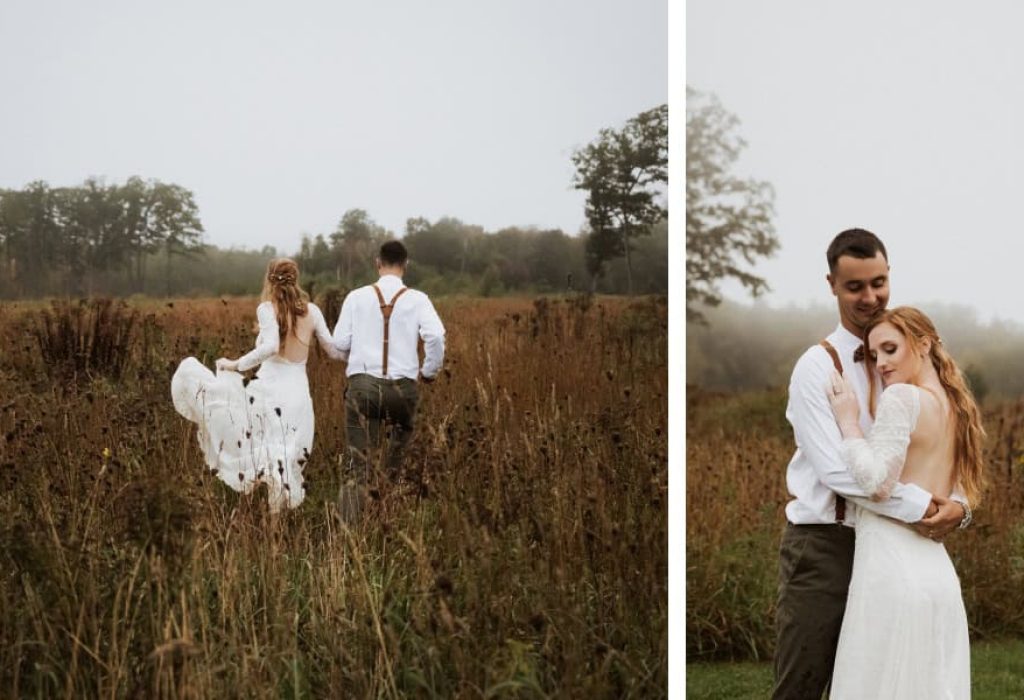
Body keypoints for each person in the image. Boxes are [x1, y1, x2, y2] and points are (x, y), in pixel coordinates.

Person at [772, 229, 971, 699]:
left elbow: (939, 443)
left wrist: (959, 506)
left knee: (883, 681)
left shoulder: (905, 360)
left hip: (890, 549)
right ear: (831, 285)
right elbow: (841, 475)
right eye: (855, 286)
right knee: (802, 685)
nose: (870, 296)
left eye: (878, 282)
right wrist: (923, 507)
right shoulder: (816, 368)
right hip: (825, 547)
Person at [825, 306, 982, 698]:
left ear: (923, 344)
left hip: (890, 566)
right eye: (875, 355)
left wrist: (848, 422)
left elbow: (878, 483)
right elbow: (961, 493)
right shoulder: (958, 408)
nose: (881, 364)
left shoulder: (902, 398)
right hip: (938, 574)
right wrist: (961, 512)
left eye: (890, 349)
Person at [171, 258, 345, 513]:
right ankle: (275, 520)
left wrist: (236, 364)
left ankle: (261, 520)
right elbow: (333, 351)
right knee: (285, 453)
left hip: (271, 388)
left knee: (259, 447)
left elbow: (271, 346)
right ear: (296, 279)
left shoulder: (267, 308)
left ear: (269, 279)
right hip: (297, 392)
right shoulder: (312, 311)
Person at [332, 240, 445, 523]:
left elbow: (339, 343)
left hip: (363, 388)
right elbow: (436, 337)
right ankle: (388, 509)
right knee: (399, 456)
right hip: (403, 390)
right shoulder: (418, 298)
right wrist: (429, 372)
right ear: (405, 265)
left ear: (377, 263)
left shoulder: (356, 297)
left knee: (358, 465)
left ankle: (349, 534)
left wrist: (357, 356)